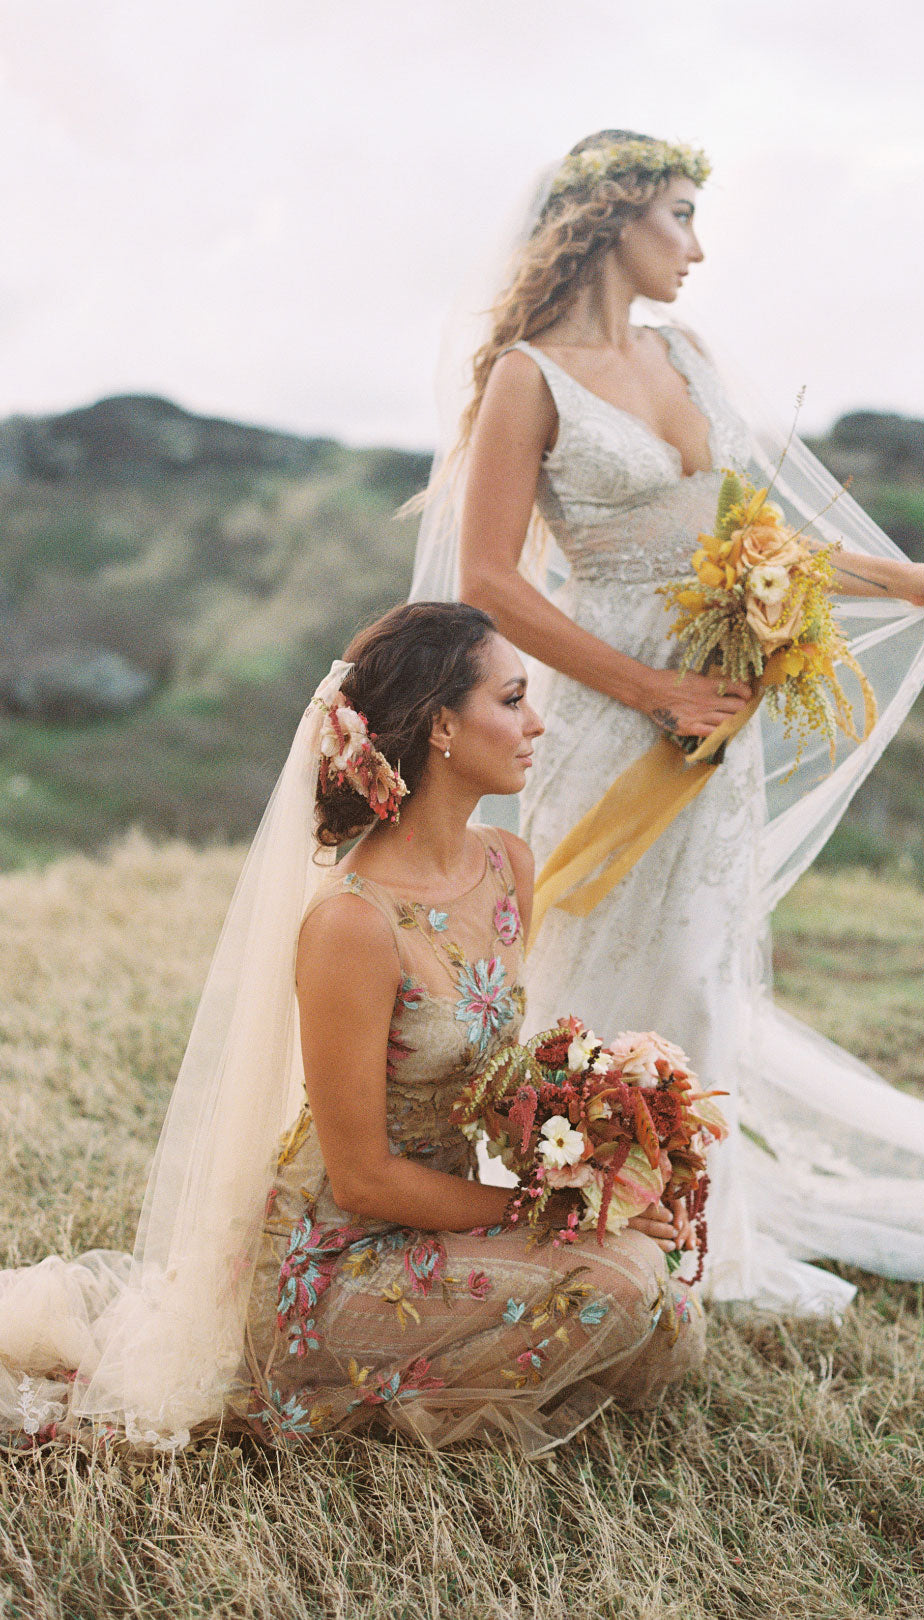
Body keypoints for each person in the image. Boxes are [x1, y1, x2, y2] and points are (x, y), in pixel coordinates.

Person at [411, 129, 924, 1315]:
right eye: (679, 216)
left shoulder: (685, 351)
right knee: (601, 953)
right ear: (610, 218)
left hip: (720, 705)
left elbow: (760, 536)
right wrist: (651, 689)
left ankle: (693, 1214)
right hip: (620, 707)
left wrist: (905, 574)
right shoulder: (530, 376)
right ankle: (585, 1198)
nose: (698, 247)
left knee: (704, 960)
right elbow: (492, 580)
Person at [0, 602, 705, 1454]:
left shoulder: (507, 867)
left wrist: (601, 1179)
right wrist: (554, 1218)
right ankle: (346, 1385)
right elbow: (364, 1180)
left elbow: (495, 1086)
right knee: (621, 1284)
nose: (537, 723)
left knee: (664, 1292)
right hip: (341, 1253)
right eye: (514, 699)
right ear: (442, 725)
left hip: (448, 1213)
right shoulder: (352, 923)